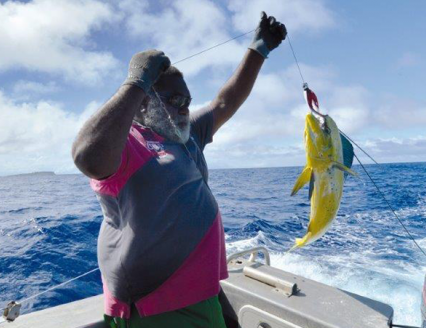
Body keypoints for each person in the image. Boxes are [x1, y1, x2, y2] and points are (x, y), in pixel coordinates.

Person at [72, 12, 287, 328]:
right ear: (142, 104)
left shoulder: (188, 136)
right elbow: (87, 156)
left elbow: (225, 102)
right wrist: (137, 81)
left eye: (187, 100)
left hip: (201, 295)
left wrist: (259, 49)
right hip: (153, 307)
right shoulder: (128, 141)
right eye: (175, 100)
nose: (185, 107)